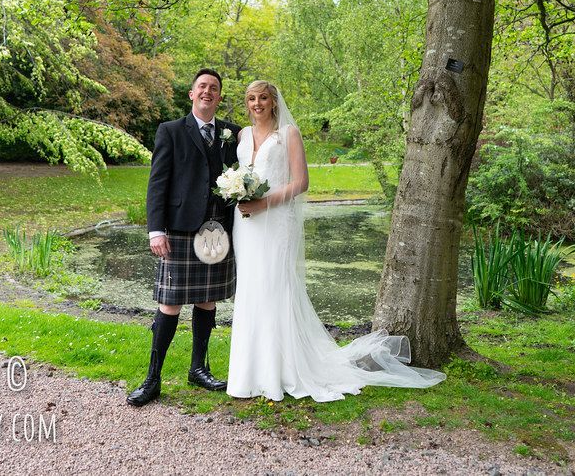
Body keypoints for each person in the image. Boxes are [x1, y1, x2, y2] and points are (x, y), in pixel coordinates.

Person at [227, 80, 446, 402]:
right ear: (246, 103)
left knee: (274, 287)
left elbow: (301, 183)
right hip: (246, 224)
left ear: (273, 101)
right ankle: (248, 372)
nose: (257, 103)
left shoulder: (288, 134)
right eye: (251, 98)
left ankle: (281, 372)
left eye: (263, 98)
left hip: (276, 221)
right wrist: (238, 192)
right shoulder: (243, 136)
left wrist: (264, 203)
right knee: (251, 288)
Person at [127, 68, 242, 407]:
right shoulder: (171, 130)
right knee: (170, 303)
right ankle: (152, 378)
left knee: (208, 300)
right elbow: (157, 183)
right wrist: (156, 230)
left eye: (214, 88)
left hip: (218, 231)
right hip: (179, 230)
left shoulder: (233, 134)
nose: (208, 91)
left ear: (219, 96)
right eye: (202, 86)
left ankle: (198, 369)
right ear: (192, 94)